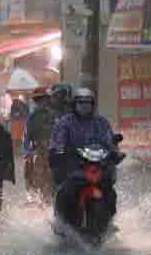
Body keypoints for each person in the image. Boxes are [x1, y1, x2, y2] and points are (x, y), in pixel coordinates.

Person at [49, 88, 118, 222]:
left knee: (110, 191)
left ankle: (109, 220)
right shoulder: (65, 122)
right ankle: (61, 220)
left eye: (88, 103)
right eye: (81, 103)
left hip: (97, 164)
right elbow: (58, 141)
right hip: (73, 164)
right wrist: (60, 149)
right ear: (74, 104)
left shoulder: (101, 122)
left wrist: (114, 151)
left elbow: (109, 140)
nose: (84, 106)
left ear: (93, 105)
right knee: (66, 190)